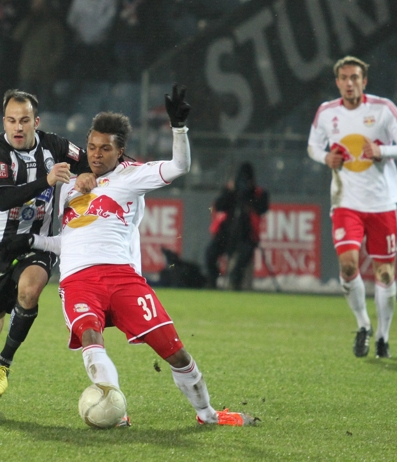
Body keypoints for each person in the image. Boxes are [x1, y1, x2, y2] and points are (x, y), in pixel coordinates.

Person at [32, 84, 256, 426]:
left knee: (176, 353)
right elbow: (65, 241)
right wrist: (31, 242)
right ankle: (114, 408)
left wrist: (179, 129)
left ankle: (208, 414)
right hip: (78, 280)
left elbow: (180, 166)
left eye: (105, 149)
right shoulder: (68, 187)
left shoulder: (133, 176)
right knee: (91, 336)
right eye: (92, 147)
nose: (96, 154)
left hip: (123, 279)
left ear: (121, 151)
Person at [0, 89, 94, 414]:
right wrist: (46, 180)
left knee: (31, 288)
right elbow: (4, 199)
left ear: (36, 122)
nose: (18, 127)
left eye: (24, 120)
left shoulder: (55, 146)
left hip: (37, 244)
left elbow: (94, 161)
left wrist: (99, 172)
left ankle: (4, 365)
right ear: (4, 122)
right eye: (11, 120)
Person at [307, 56, 397, 359]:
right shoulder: (327, 113)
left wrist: (382, 150)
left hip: (382, 203)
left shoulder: (383, 110)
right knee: (347, 266)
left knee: (384, 274)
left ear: (364, 81)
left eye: (355, 77)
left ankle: (383, 336)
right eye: (344, 78)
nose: (349, 83)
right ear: (337, 82)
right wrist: (324, 158)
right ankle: (363, 325)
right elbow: (313, 146)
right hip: (345, 202)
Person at [205, 162, 269, 290]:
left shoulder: (258, 193)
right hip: (226, 233)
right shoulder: (231, 191)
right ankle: (213, 280)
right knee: (210, 253)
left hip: (246, 234)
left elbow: (262, 209)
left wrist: (248, 196)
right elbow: (219, 205)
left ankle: (235, 281)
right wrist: (231, 191)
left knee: (245, 253)